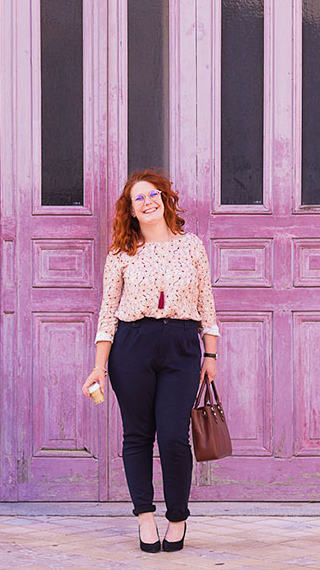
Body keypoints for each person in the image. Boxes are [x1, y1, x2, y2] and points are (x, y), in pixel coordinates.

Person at [82, 169, 219, 553]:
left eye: (153, 194)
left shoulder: (191, 246)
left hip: (181, 345)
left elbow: (206, 303)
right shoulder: (121, 254)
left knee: (175, 436)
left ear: (166, 199)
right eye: (138, 198)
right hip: (133, 345)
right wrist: (99, 365)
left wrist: (210, 353)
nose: (147, 201)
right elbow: (108, 312)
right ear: (130, 210)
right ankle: (144, 515)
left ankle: (177, 518)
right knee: (138, 436)